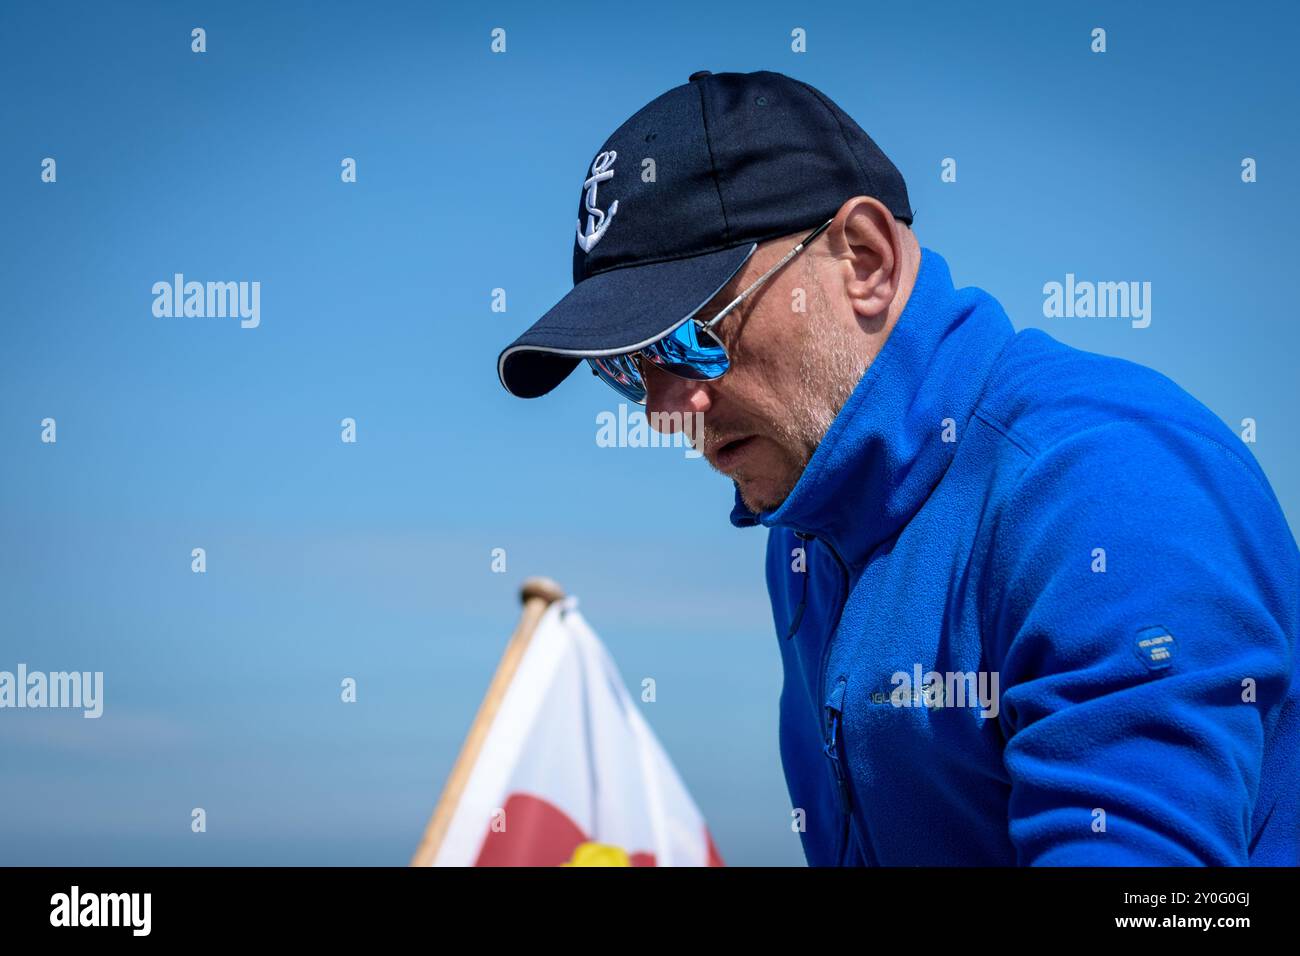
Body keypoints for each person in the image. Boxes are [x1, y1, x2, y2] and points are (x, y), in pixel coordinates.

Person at [497, 69, 1299, 865]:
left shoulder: (1107, 485)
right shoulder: (808, 523)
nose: (665, 408)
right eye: (629, 366)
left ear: (866, 260)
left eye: (692, 337)